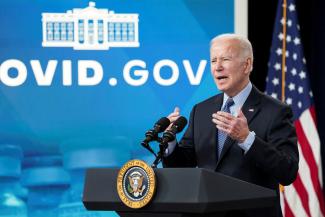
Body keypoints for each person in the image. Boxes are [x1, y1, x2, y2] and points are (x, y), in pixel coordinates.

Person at [162, 33, 299, 217]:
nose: (217, 67)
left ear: (247, 65)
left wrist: (247, 139)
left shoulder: (275, 111)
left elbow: (287, 171)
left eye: (225, 59)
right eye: (213, 61)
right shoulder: (201, 110)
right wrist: (170, 142)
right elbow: (183, 166)